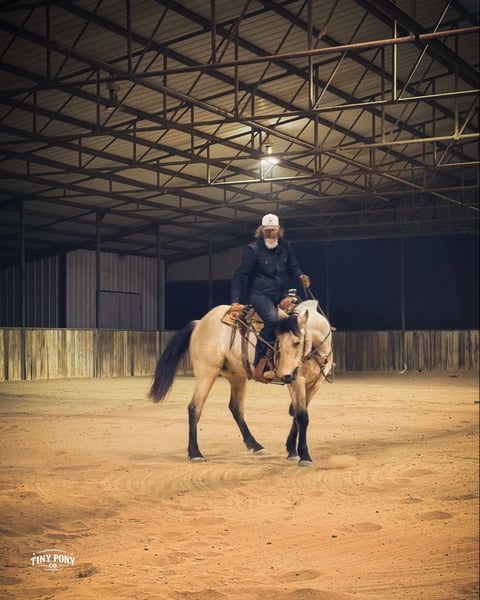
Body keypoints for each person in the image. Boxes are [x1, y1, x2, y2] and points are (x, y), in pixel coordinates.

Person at [230, 213, 311, 383]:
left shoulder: (286, 247)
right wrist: (235, 301)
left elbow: (294, 267)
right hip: (260, 295)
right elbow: (240, 275)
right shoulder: (253, 250)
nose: (269, 233)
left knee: (300, 321)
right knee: (272, 320)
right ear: (261, 230)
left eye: (272, 230)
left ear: (278, 230)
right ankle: (260, 364)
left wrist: (301, 276)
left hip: (281, 295)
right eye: (266, 230)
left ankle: (297, 362)